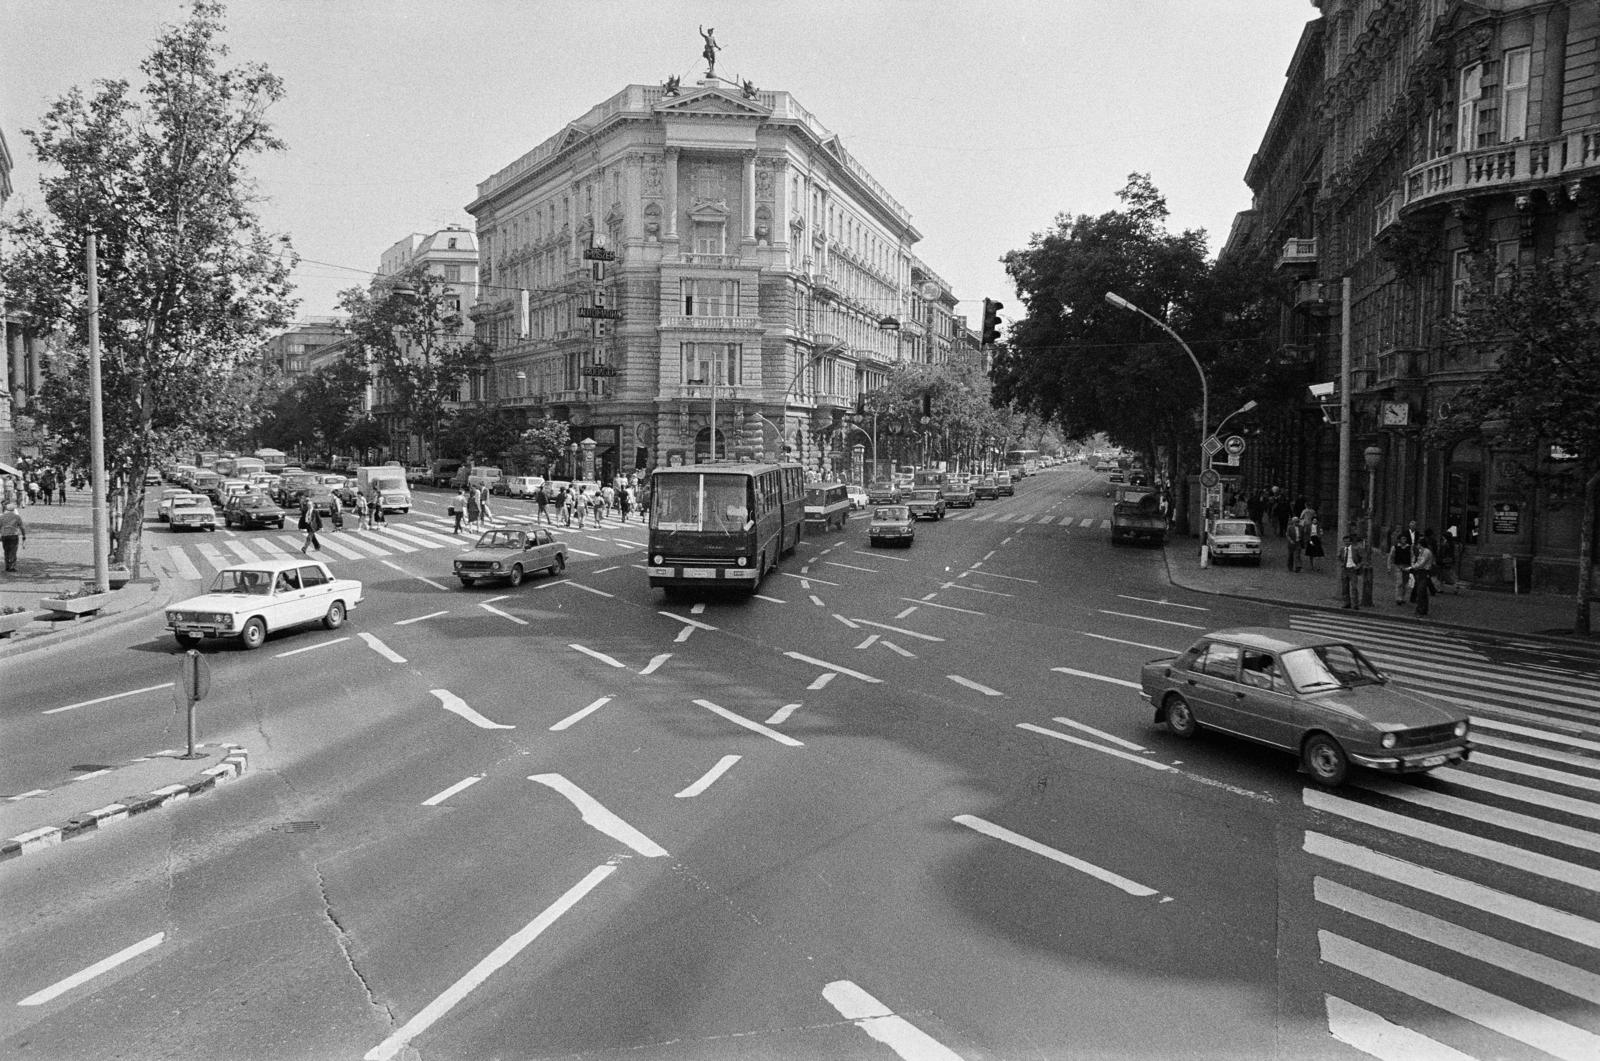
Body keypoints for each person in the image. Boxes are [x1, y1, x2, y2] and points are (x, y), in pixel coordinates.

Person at [1409, 531, 1438, 617]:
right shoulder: (1422, 551)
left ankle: (1420, 609)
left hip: (1424, 572)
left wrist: (1413, 567)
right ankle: (1423, 609)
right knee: (1422, 591)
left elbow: (1421, 563)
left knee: (1421, 591)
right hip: (1420, 572)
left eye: (1418, 544)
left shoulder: (1426, 552)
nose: (1417, 546)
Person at [1388, 522, 1416, 605]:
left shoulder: (1409, 547)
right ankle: (1398, 597)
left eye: (1405, 539)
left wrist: (1412, 565)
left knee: (1405, 583)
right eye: (1402, 539)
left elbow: (1412, 556)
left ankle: (1403, 597)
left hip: (1406, 566)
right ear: (1400, 539)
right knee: (1399, 582)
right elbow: (1391, 557)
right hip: (1398, 566)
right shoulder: (1395, 547)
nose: (1404, 540)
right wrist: (1389, 566)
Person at [1339, 532, 1368, 609]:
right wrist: (1342, 564)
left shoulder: (1355, 549)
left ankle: (1355, 604)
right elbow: (1339, 557)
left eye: (1348, 541)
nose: (1346, 543)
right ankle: (1346, 603)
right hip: (1345, 569)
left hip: (1352, 569)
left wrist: (1358, 566)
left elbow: (1363, 558)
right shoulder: (1342, 549)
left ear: (1351, 542)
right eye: (1345, 541)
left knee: (1354, 587)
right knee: (1345, 587)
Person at [0, 501, 26, 572]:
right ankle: (12, 566)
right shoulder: (17, 517)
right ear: (14, 509)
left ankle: (7, 566)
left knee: (6, 551)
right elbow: (22, 527)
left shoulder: (2, 517)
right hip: (13, 535)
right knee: (13, 551)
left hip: (4, 535)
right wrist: (24, 535)